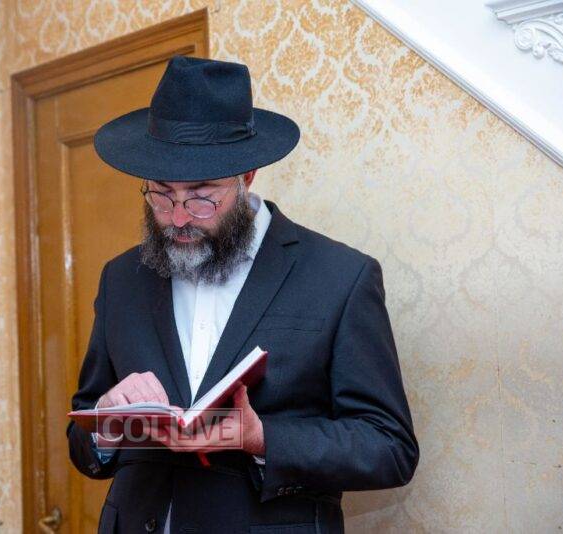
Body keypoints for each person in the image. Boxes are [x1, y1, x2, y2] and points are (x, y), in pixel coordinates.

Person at [67, 55, 419, 534]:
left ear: (246, 175)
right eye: (161, 194)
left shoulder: (340, 276)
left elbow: (389, 448)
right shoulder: (121, 278)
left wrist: (262, 437)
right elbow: (83, 440)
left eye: (201, 195)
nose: (178, 217)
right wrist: (106, 421)